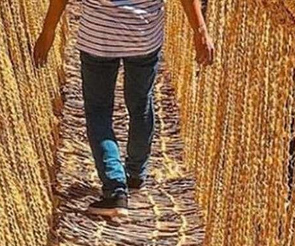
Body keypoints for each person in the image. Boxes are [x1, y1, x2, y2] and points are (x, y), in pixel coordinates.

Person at [34, 0, 214, 216]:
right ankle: (136, 173)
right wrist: (200, 30)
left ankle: (115, 188)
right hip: (143, 34)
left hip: (98, 36)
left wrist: (48, 31)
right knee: (140, 105)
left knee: (99, 111)